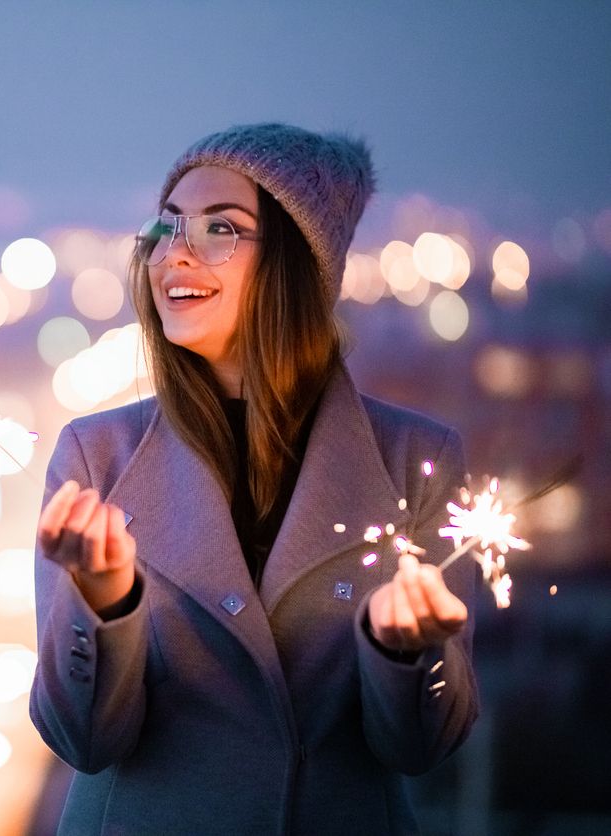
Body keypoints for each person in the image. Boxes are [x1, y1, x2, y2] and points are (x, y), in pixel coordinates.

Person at [29, 123, 479, 835]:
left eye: (220, 228)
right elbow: (82, 741)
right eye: (167, 225)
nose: (175, 251)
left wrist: (406, 651)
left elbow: (423, 748)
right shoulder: (96, 457)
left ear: (297, 267)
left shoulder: (415, 460)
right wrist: (104, 602)